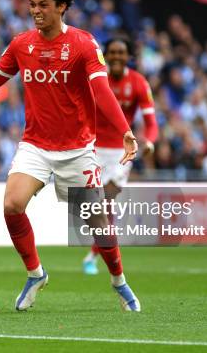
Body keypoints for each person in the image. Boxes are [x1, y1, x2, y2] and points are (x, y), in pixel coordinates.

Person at [0, 0, 139, 311]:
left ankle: (119, 281)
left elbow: (102, 92)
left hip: (78, 151)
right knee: (12, 205)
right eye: (32, 5)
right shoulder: (21, 44)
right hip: (36, 146)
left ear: (62, 7)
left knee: (98, 223)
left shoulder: (84, 45)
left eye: (43, 5)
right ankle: (36, 273)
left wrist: (126, 130)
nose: (36, 11)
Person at [82, 37, 158, 287]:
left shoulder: (138, 82)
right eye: (111, 52)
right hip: (92, 148)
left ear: (128, 57)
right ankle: (97, 255)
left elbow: (151, 122)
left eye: (120, 52)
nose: (115, 56)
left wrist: (150, 142)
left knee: (106, 201)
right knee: (96, 208)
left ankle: (94, 256)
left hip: (120, 153)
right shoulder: (95, 79)